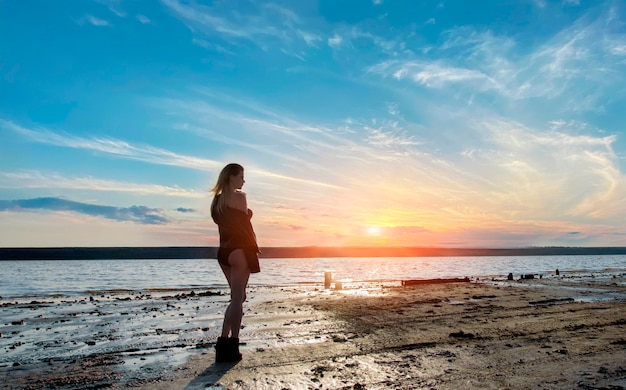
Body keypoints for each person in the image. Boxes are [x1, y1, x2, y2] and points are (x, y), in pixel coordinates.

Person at [210, 163, 260, 363]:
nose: (243, 180)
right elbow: (244, 224)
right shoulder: (240, 197)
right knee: (238, 299)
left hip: (223, 251)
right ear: (232, 177)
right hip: (240, 250)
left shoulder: (217, 201)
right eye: (241, 176)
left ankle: (223, 343)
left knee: (236, 298)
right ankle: (232, 346)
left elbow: (230, 222)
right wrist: (249, 214)